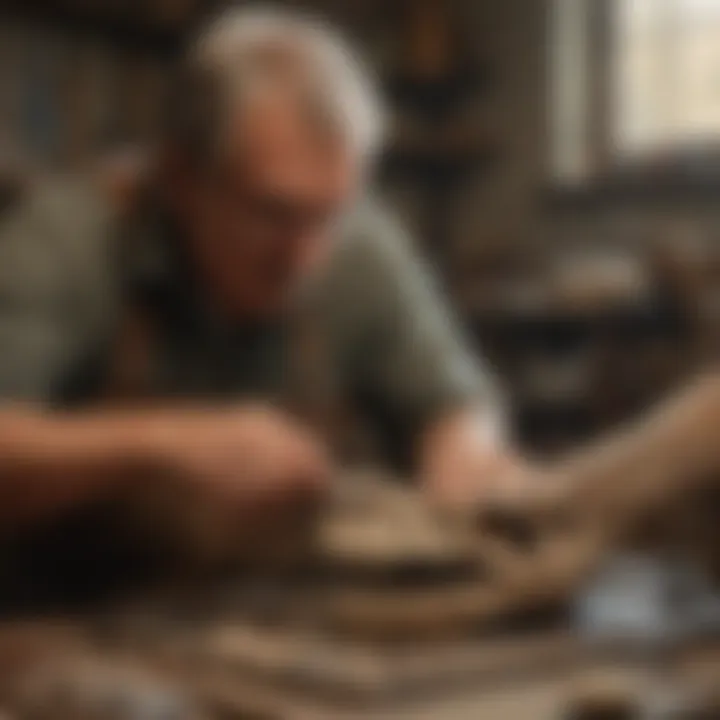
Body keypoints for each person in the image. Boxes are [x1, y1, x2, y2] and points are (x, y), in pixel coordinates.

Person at [0, 8, 524, 536]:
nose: (305, 256)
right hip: (70, 601)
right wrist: (164, 444)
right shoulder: (67, 242)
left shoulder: (359, 242)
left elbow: (457, 405)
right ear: (181, 179)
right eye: (273, 214)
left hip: (273, 600)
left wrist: (464, 457)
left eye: (329, 216)